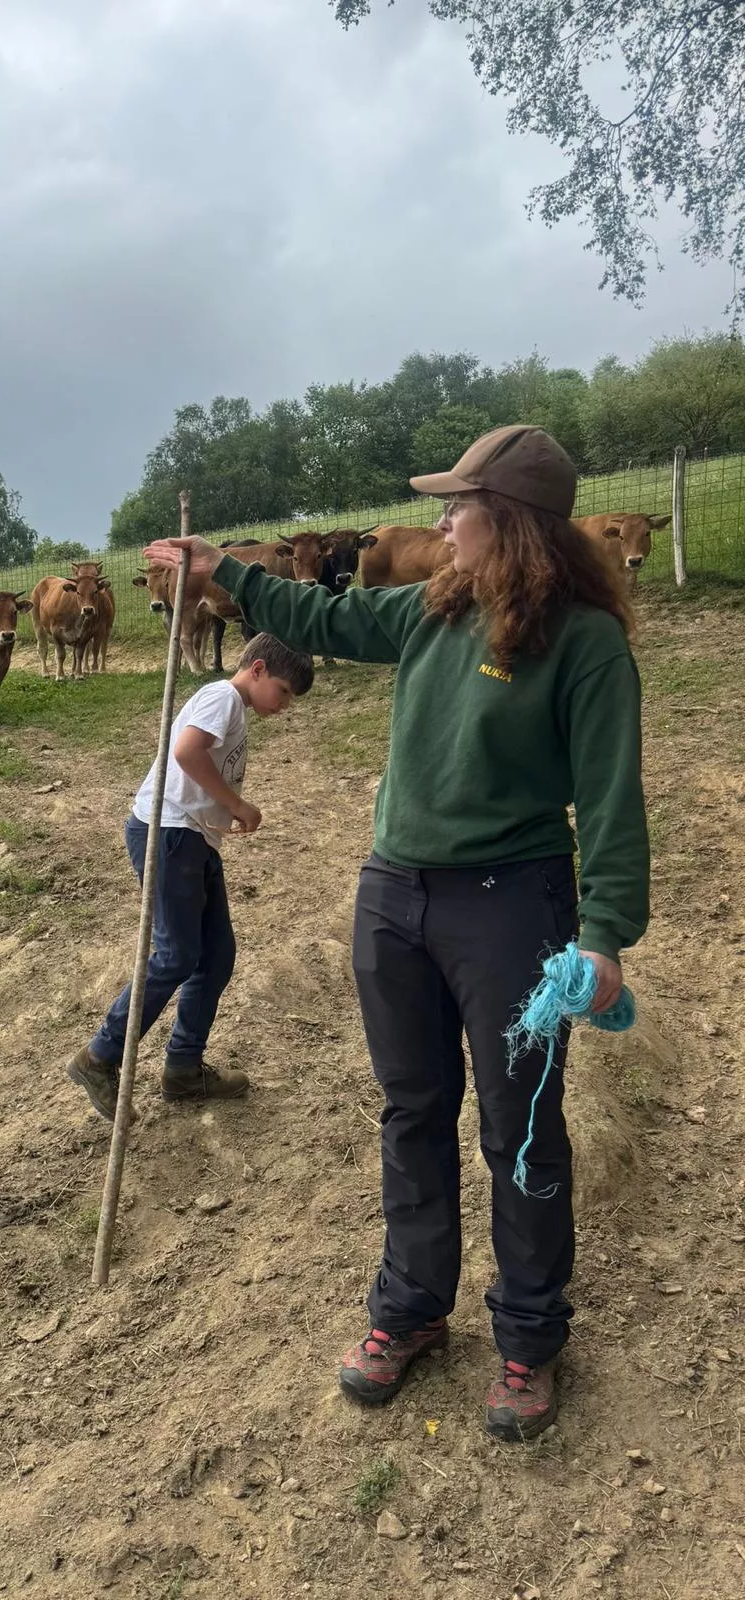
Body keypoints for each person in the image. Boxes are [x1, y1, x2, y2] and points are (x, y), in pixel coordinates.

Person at [144, 425, 649, 1441]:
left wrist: (604, 933)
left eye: (458, 504)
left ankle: (529, 1336)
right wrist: (224, 571)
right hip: (394, 897)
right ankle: (413, 1309)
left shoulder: (585, 643)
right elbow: (321, 611)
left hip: (511, 904)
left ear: (507, 522)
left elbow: (610, 797)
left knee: (519, 1127)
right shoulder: (433, 608)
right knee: (412, 1111)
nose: (442, 521)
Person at [66, 632, 315, 1116]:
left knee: (216, 954)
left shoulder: (235, 707)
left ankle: (182, 1067)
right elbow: (186, 752)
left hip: (194, 838)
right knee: (177, 954)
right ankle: (100, 1055)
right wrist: (236, 803)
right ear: (258, 669)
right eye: (283, 691)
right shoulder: (223, 696)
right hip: (170, 833)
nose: (284, 705)